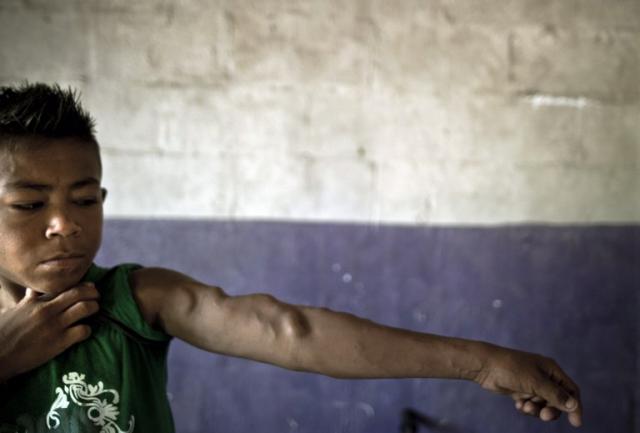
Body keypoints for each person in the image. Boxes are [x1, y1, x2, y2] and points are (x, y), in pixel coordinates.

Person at [0, 83, 582, 432]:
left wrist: (481, 363)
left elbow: (291, 331)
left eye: (85, 199)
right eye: (29, 203)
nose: (65, 224)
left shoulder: (133, 302)